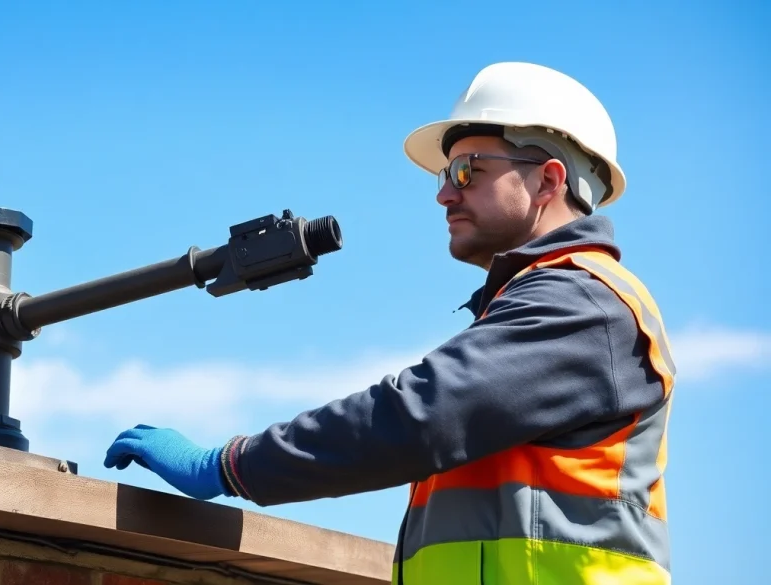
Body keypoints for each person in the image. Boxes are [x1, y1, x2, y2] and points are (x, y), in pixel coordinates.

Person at [104, 62, 676, 585]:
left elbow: (418, 417)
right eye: (445, 176)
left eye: (467, 169)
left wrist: (229, 465)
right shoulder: (542, 302)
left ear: (548, 181)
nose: (445, 193)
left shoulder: (582, 303)